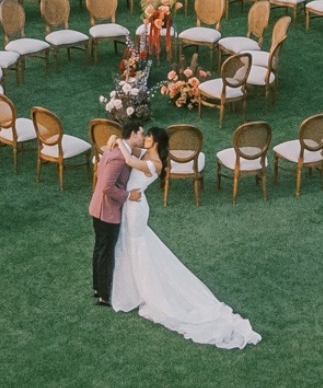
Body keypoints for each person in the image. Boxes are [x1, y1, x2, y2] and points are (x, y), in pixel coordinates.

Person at [110, 127, 262, 349]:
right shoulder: (145, 153)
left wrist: (118, 144)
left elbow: (130, 163)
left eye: (149, 136)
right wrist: (118, 141)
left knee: (137, 246)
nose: (145, 138)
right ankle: (135, 284)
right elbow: (131, 156)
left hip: (136, 208)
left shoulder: (156, 164)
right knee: (135, 246)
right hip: (131, 204)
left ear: (156, 142)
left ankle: (145, 289)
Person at [88, 121, 144, 307]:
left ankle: (98, 287)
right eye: (141, 134)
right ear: (134, 134)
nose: (143, 138)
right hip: (107, 211)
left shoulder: (116, 149)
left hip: (98, 208)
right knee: (106, 251)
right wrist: (129, 195)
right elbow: (107, 187)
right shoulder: (119, 157)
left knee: (100, 249)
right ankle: (104, 294)